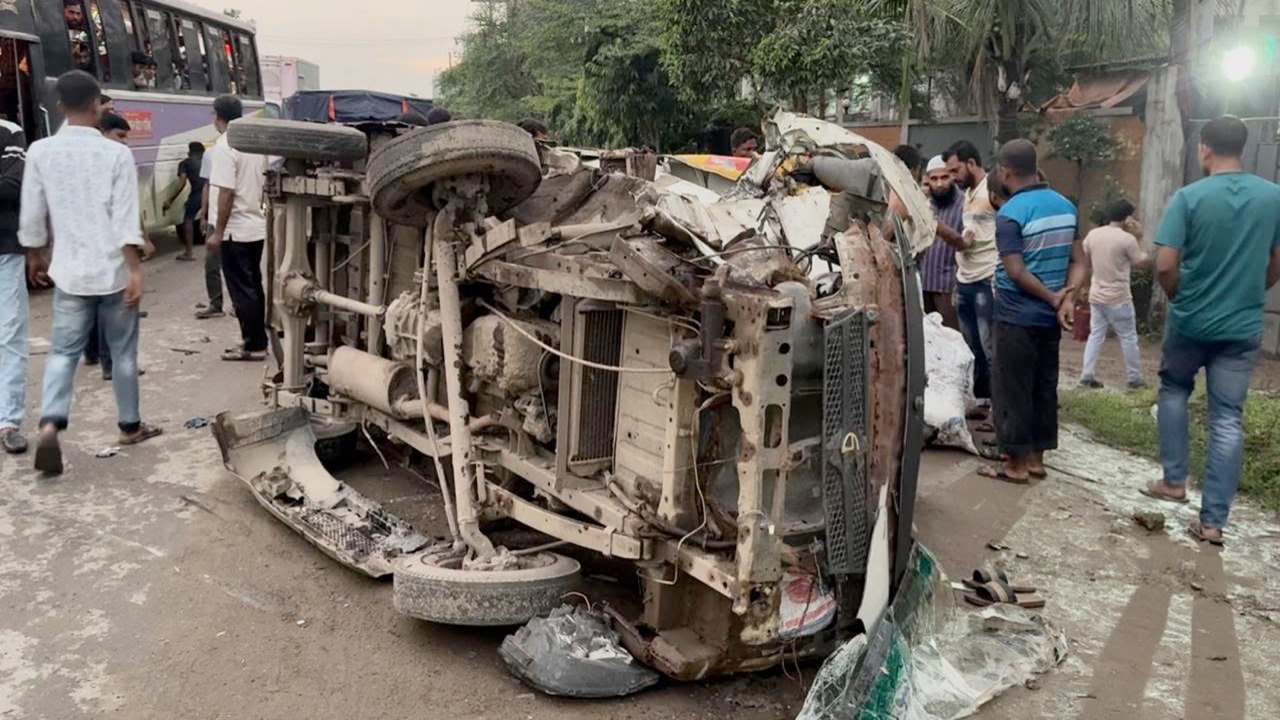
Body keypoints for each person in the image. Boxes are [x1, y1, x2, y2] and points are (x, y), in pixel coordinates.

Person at [1142, 115, 1280, 545]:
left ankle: (1175, 480)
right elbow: (1277, 260)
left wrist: (1178, 295)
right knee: (1227, 418)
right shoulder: (1273, 197)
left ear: (1203, 148)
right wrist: (1254, 289)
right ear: (1243, 146)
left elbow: (1165, 264)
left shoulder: (1189, 197)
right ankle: (1213, 523)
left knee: (1174, 390)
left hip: (1191, 320)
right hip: (1242, 324)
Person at [19, 71, 163, 475]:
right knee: (123, 353)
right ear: (98, 105)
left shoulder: (41, 151)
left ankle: (50, 423)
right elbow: (124, 219)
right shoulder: (115, 154)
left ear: (60, 106)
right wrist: (134, 269)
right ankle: (130, 426)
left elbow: (32, 216)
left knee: (63, 353)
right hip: (113, 272)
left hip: (70, 273)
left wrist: (35, 256)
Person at [979, 139, 1085, 485]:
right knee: (1043, 384)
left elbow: (1016, 271)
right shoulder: (1066, 206)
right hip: (1049, 320)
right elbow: (1080, 261)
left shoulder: (1011, 213)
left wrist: (1054, 298)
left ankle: (1015, 465)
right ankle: (1037, 460)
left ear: (1005, 171)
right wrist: (1068, 298)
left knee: (1012, 388)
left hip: (1016, 313)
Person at [208, 94, 268, 362]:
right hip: (254, 226)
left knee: (242, 291)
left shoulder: (224, 146)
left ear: (216, 115)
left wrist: (218, 232)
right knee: (254, 286)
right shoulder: (253, 144)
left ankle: (253, 345)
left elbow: (226, 193)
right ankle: (259, 341)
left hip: (235, 231)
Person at [944, 140, 999, 405]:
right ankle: (980, 399)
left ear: (971, 163)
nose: (953, 178)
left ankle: (994, 404)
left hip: (986, 277)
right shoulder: (968, 193)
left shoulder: (993, 190)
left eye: (955, 171)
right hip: (965, 277)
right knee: (971, 345)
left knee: (989, 346)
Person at [1078, 200, 1149, 390]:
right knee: (1128, 338)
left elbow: (1085, 264)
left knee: (1095, 335)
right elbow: (1141, 262)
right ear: (1127, 218)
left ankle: (1087, 374)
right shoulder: (1127, 240)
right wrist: (1140, 238)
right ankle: (1134, 379)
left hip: (1096, 295)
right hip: (1119, 297)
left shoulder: (1093, 235)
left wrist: (1084, 287)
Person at [0, 113, 26, 455]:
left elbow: (12, 186)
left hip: (4, 249)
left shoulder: (9, 132)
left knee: (9, 334)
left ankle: (8, 421)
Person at [920, 155, 964, 330]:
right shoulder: (925, 203)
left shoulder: (964, 204)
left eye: (944, 177)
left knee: (953, 339)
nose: (939, 184)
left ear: (953, 177)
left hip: (949, 287)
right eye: (934, 179)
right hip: (924, 284)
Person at [195, 114, 226, 320]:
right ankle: (216, 304)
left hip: (227, 220)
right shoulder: (211, 153)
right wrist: (204, 212)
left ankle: (234, 305)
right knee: (212, 265)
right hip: (216, 217)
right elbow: (207, 184)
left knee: (234, 268)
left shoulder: (221, 151)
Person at [163, 141, 205, 262]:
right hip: (212, 192)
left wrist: (170, 200)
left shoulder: (185, 163)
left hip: (197, 195)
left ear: (189, 152)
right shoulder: (209, 161)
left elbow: (181, 183)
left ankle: (189, 253)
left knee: (188, 220)